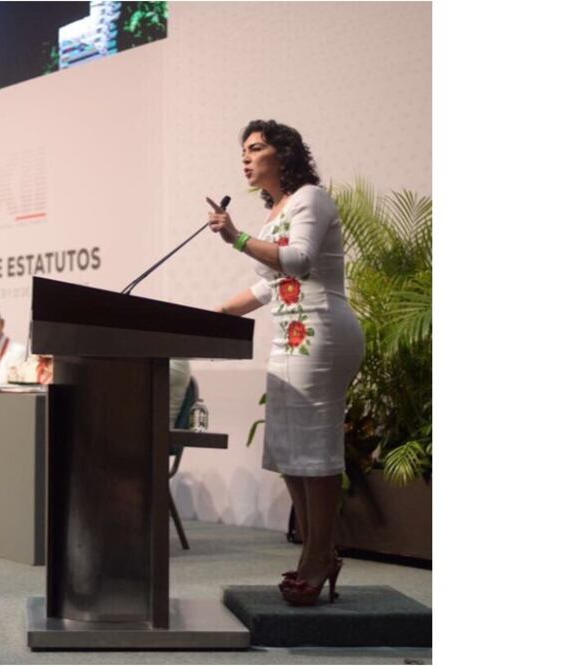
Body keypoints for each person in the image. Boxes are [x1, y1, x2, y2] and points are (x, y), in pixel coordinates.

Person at [207, 119, 364, 606]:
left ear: (285, 153)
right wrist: (215, 313)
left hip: (320, 333)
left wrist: (235, 237)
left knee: (315, 454)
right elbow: (270, 285)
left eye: (256, 148)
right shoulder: (278, 210)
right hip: (289, 336)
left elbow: (297, 262)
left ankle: (319, 555)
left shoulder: (309, 198)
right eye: (243, 151)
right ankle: (316, 552)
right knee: (291, 454)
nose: (246, 158)